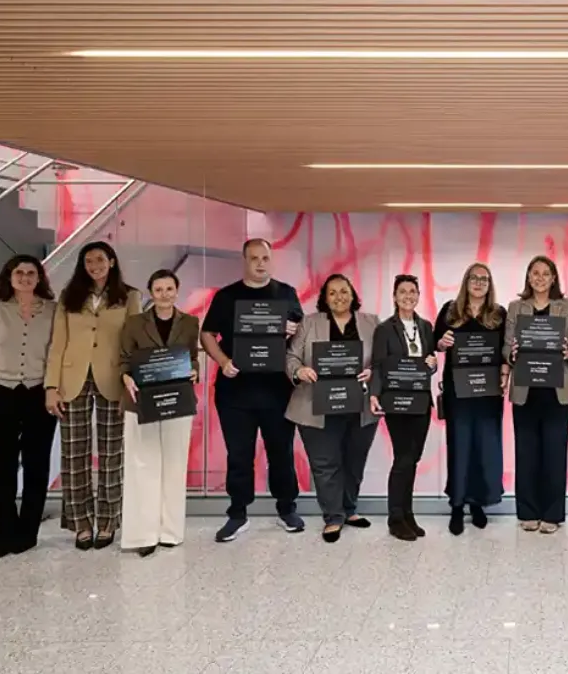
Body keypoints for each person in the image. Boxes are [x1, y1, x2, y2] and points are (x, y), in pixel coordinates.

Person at [199, 238, 305, 543]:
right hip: (235, 392)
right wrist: (223, 360)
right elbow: (207, 334)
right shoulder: (227, 296)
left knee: (281, 454)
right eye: (254, 258)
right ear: (244, 260)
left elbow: (300, 332)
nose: (260, 263)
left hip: (277, 391)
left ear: (271, 260)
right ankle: (237, 513)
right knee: (239, 455)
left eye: (265, 258)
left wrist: (293, 329)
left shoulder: (287, 294)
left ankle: (286, 508)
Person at [44, 241, 142, 550]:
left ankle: (109, 520)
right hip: (72, 379)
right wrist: (51, 386)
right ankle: (81, 523)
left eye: (100, 259)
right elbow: (57, 344)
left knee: (112, 455)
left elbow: (133, 342)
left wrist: (132, 379)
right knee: (74, 455)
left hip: (113, 378)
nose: (94, 265)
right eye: (88, 260)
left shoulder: (129, 296)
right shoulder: (69, 296)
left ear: (111, 261)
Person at [0, 254, 58, 558]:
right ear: (9, 277)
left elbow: (57, 351)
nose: (24, 277)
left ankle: (26, 534)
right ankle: (0, 536)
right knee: (0, 466)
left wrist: (53, 388)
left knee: (36, 465)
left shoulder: (52, 310)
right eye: (19, 272)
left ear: (39, 278)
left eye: (31, 273)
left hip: (39, 392)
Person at [286, 274, 379, 544]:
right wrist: (299, 370)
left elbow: (385, 358)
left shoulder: (371, 322)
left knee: (354, 461)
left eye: (344, 291)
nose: (339, 296)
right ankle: (333, 517)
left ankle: (349, 510)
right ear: (324, 298)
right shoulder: (309, 323)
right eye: (332, 293)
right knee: (325, 463)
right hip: (316, 405)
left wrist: (372, 371)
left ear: (353, 294)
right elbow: (291, 355)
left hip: (360, 405)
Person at [118, 269, 200, 557]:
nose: (164, 294)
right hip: (141, 401)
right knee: (143, 466)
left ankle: (170, 532)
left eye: (169, 289)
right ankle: (143, 534)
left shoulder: (190, 323)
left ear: (177, 291)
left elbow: (192, 358)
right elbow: (124, 359)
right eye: (158, 289)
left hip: (178, 401)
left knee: (175, 464)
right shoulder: (133, 323)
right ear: (150, 293)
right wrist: (126, 377)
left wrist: (194, 372)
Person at [504, 256, 568, 534]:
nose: (539, 278)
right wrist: (511, 354)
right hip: (526, 389)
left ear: (553, 278)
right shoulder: (516, 308)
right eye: (534, 273)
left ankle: (552, 514)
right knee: (526, 453)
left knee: (554, 452)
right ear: (528, 277)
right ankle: (527, 511)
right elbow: (506, 348)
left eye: (545, 273)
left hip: (557, 391)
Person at [434, 262, 509, 535]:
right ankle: (457, 504)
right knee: (460, 446)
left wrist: (506, 368)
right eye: (474, 278)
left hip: (489, 393)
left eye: (484, 279)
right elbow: (434, 342)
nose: (479, 283)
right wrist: (442, 343)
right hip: (459, 392)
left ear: (490, 285)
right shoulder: (450, 310)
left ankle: (478, 503)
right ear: (466, 282)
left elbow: (507, 350)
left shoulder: (499, 314)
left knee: (484, 448)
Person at [369, 274, 437, 541]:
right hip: (396, 402)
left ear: (418, 295)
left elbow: (429, 365)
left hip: (421, 401)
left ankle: (407, 514)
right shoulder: (384, 329)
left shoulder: (426, 327)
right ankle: (395, 518)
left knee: (413, 458)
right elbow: (376, 365)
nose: (408, 296)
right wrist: (374, 394)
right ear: (395, 296)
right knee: (403, 459)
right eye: (403, 292)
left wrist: (433, 365)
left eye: (413, 291)